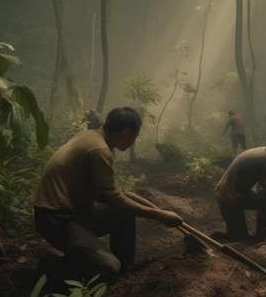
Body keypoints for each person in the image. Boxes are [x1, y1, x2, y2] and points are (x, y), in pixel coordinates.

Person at [32, 107, 183, 282]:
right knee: (108, 266)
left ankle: (123, 272)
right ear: (127, 132)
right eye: (135, 136)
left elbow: (110, 192)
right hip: (57, 219)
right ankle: (50, 268)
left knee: (125, 214)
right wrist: (159, 215)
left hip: (75, 211)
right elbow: (112, 198)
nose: (134, 141)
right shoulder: (100, 150)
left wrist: (154, 211)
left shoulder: (89, 136)